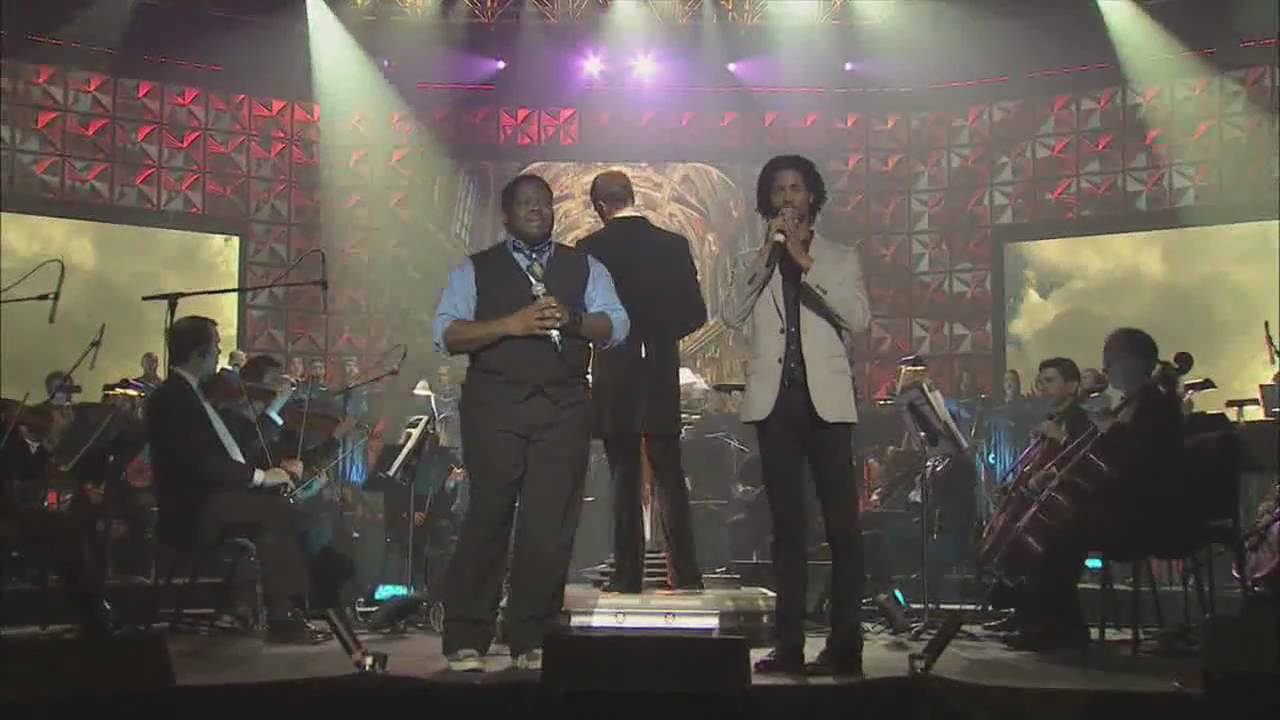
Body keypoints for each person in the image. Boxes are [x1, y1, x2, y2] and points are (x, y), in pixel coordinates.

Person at [432, 173, 629, 672]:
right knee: (489, 515)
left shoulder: (584, 266)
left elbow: (617, 325)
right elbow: (447, 334)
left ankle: (533, 636)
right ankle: (467, 636)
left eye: (544, 202)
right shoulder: (475, 269)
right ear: (506, 215)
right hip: (495, 407)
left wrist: (575, 320)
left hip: (564, 407)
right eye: (525, 203)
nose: (537, 209)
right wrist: (511, 325)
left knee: (549, 524)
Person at [722, 155, 872, 676]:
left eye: (796, 188)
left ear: (812, 197)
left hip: (826, 403)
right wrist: (770, 254)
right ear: (768, 201)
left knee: (842, 527)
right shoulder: (756, 258)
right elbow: (730, 314)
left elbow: (859, 318)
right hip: (776, 405)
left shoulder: (840, 258)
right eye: (778, 190)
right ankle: (789, 645)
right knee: (787, 528)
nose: (788, 197)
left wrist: (806, 263)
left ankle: (845, 644)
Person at [145, 316, 322, 644]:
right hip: (192, 510)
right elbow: (204, 463)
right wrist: (262, 477)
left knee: (278, 509)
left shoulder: (191, 395)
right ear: (198, 353)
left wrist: (267, 477)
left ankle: (265, 608)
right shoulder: (173, 398)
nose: (219, 354)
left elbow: (227, 452)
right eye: (215, 347)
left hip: (210, 502)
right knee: (279, 511)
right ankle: (282, 616)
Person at [577, 170, 707, 593]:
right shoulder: (674, 245)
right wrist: (660, 336)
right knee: (669, 471)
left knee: (623, 474)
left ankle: (628, 574)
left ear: (600, 207)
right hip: (660, 370)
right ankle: (685, 573)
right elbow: (696, 314)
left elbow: (582, 319)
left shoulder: (589, 249)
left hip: (614, 373)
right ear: (633, 196)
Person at [984, 356, 1089, 636]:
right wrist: (1016, 485)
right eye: (1040, 382)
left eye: (1050, 381)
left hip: (1068, 508)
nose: (1043, 388)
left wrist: (1059, 438)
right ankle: (1024, 611)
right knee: (1019, 529)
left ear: (1072, 386)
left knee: (1035, 537)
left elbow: (1080, 462)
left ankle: (1043, 619)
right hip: (1046, 503)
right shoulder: (1053, 419)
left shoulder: (1078, 420)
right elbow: (1040, 466)